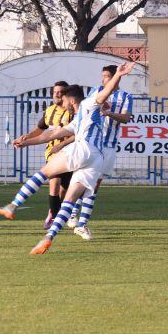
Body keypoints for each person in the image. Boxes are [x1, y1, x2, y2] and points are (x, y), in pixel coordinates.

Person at [0, 61, 136, 254]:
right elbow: (51, 134)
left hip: (83, 149)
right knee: (69, 201)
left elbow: (105, 93)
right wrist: (26, 141)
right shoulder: (79, 121)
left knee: (44, 172)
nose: (63, 106)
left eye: (64, 102)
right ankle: (48, 237)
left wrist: (118, 74)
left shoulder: (88, 104)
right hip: (96, 159)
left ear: (71, 101)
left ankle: (12, 206)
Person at [67, 65, 134, 240]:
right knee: (81, 180)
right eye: (103, 76)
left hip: (108, 146)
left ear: (115, 78)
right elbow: (85, 111)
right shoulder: (96, 91)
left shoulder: (126, 96)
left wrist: (109, 113)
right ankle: (74, 215)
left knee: (94, 185)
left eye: (106, 76)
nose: (103, 79)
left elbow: (126, 117)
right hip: (89, 144)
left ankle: (81, 224)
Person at [15, 81, 73, 229]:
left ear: (66, 94)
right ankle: (55, 219)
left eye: (60, 92)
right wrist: (26, 137)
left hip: (70, 154)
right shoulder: (49, 111)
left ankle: (52, 211)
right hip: (52, 153)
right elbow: (40, 129)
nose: (57, 94)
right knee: (54, 185)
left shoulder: (72, 111)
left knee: (64, 189)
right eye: (55, 92)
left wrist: (62, 144)